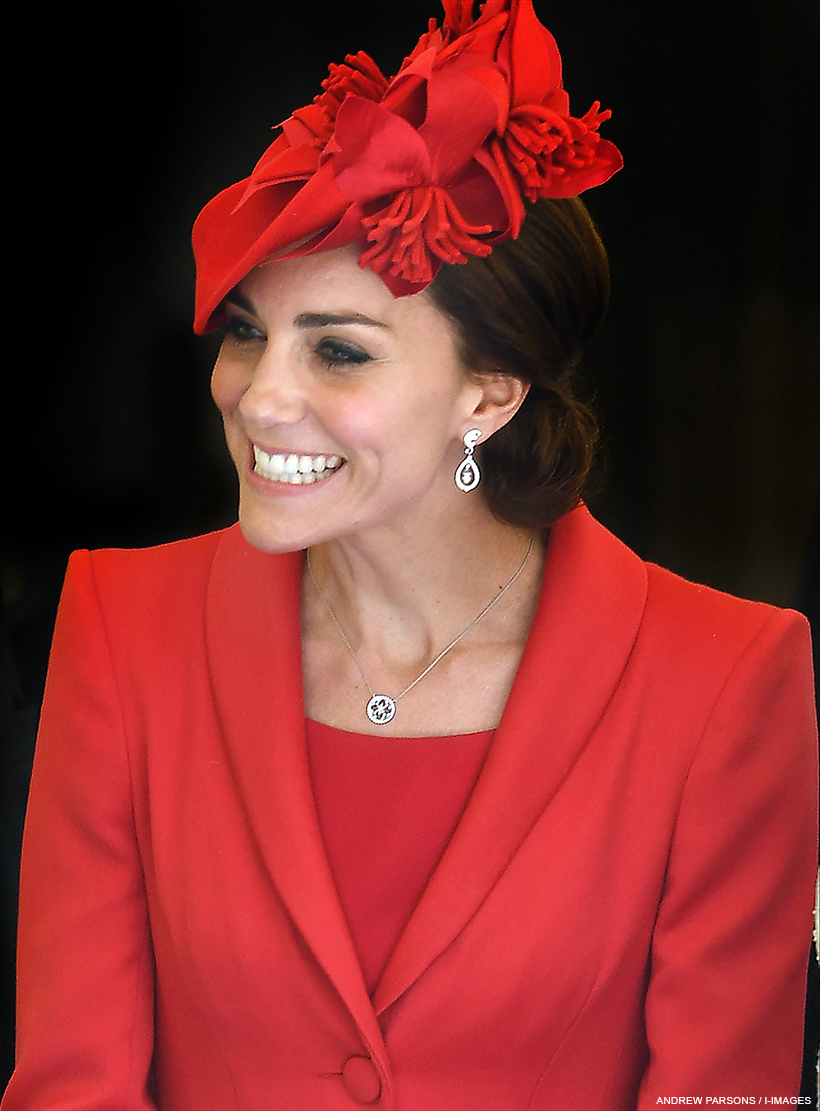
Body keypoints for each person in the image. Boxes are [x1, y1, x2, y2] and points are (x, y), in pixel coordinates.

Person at [2, 2, 817, 1109]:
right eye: (247, 329)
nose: (256, 395)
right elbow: (71, 1087)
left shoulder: (728, 680)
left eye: (337, 349)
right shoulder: (117, 625)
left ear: (488, 393)